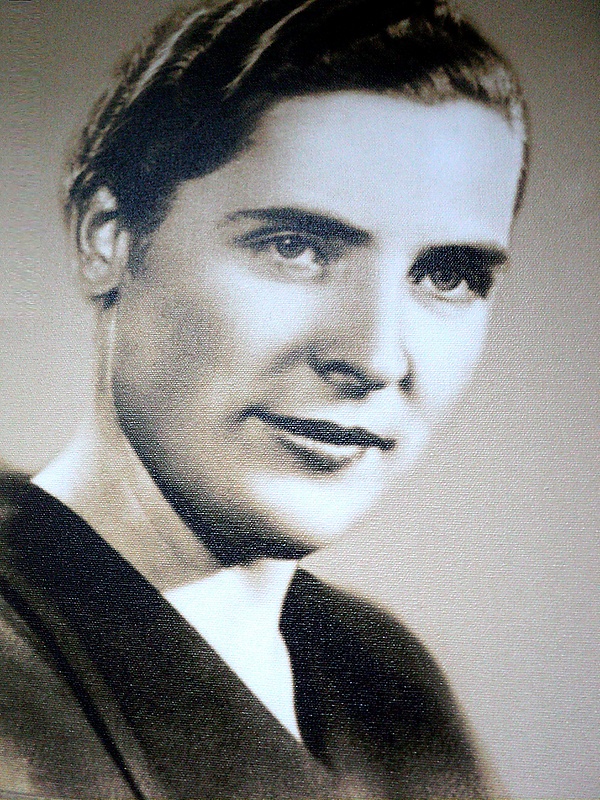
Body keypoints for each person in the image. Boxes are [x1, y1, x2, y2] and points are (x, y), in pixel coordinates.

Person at [0, 0, 527, 797]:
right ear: (106, 237)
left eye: (447, 274)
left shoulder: (388, 686)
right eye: (295, 247)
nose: (374, 357)